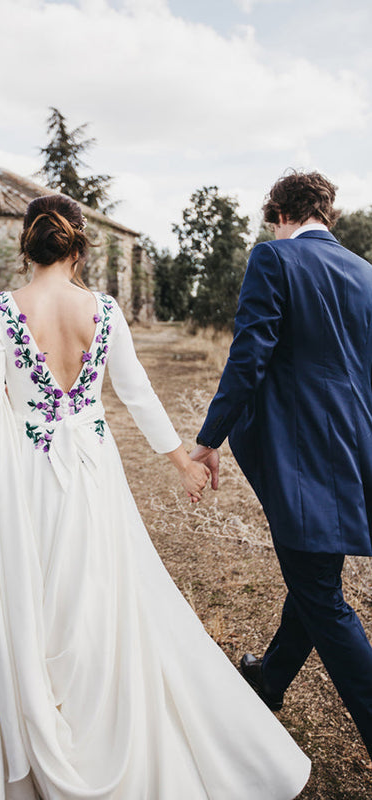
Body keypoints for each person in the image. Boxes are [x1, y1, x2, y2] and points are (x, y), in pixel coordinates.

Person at [0, 192, 310, 800]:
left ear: (26, 242)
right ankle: (100, 710)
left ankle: (36, 717)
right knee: (98, 587)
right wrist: (182, 460)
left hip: (30, 479)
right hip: (93, 470)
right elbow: (137, 394)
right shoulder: (106, 310)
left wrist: (2, 402)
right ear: (81, 243)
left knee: (32, 590)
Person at [192, 170, 372, 761]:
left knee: (320, 591)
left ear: (279, 215)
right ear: (328, 215)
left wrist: (210, 436)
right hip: (356, 452)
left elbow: (249, 356)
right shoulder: (366, 274)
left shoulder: (274, 258)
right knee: (315, 571)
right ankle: (270, 679)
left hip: (305, 458)